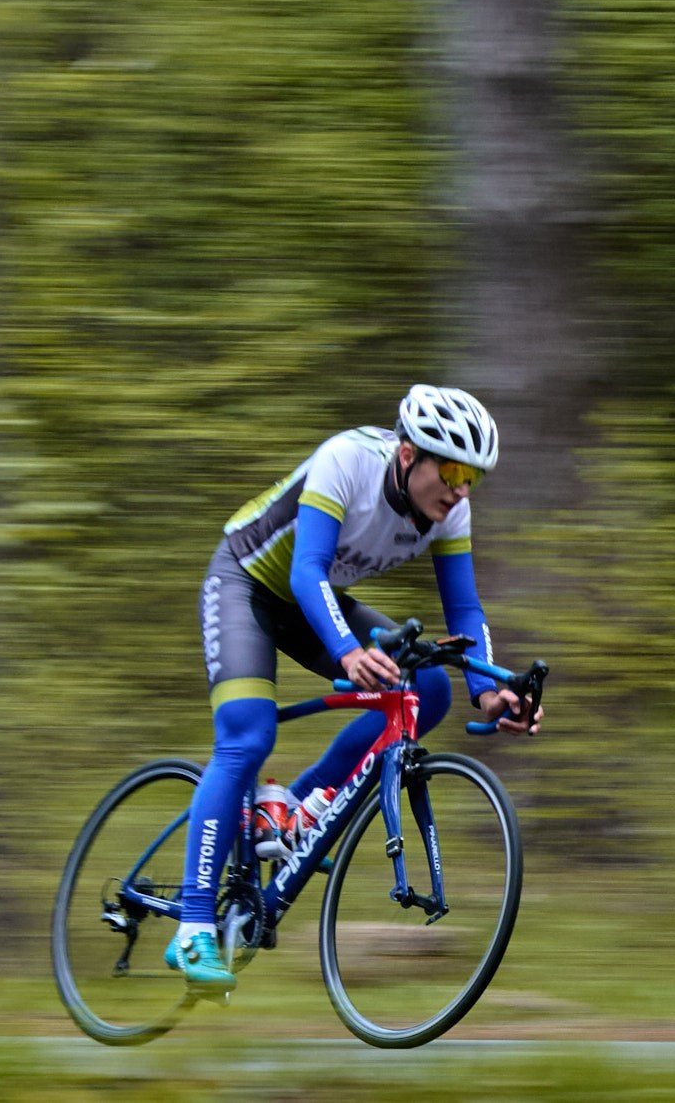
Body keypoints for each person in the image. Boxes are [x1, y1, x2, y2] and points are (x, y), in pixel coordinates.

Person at [169, 384, 542, 992]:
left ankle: (298, 805)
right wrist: (347, 650)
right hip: (245, 583)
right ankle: (192, 927)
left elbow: (465, 610)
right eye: (451, 471)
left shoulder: (452, 511)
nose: (461, 490)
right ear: (407, 455)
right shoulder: (346, 460)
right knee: (248, 735)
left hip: (311, 602)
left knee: (428, 689)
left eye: (473, 477)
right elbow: (305, 570)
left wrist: (489, 691)